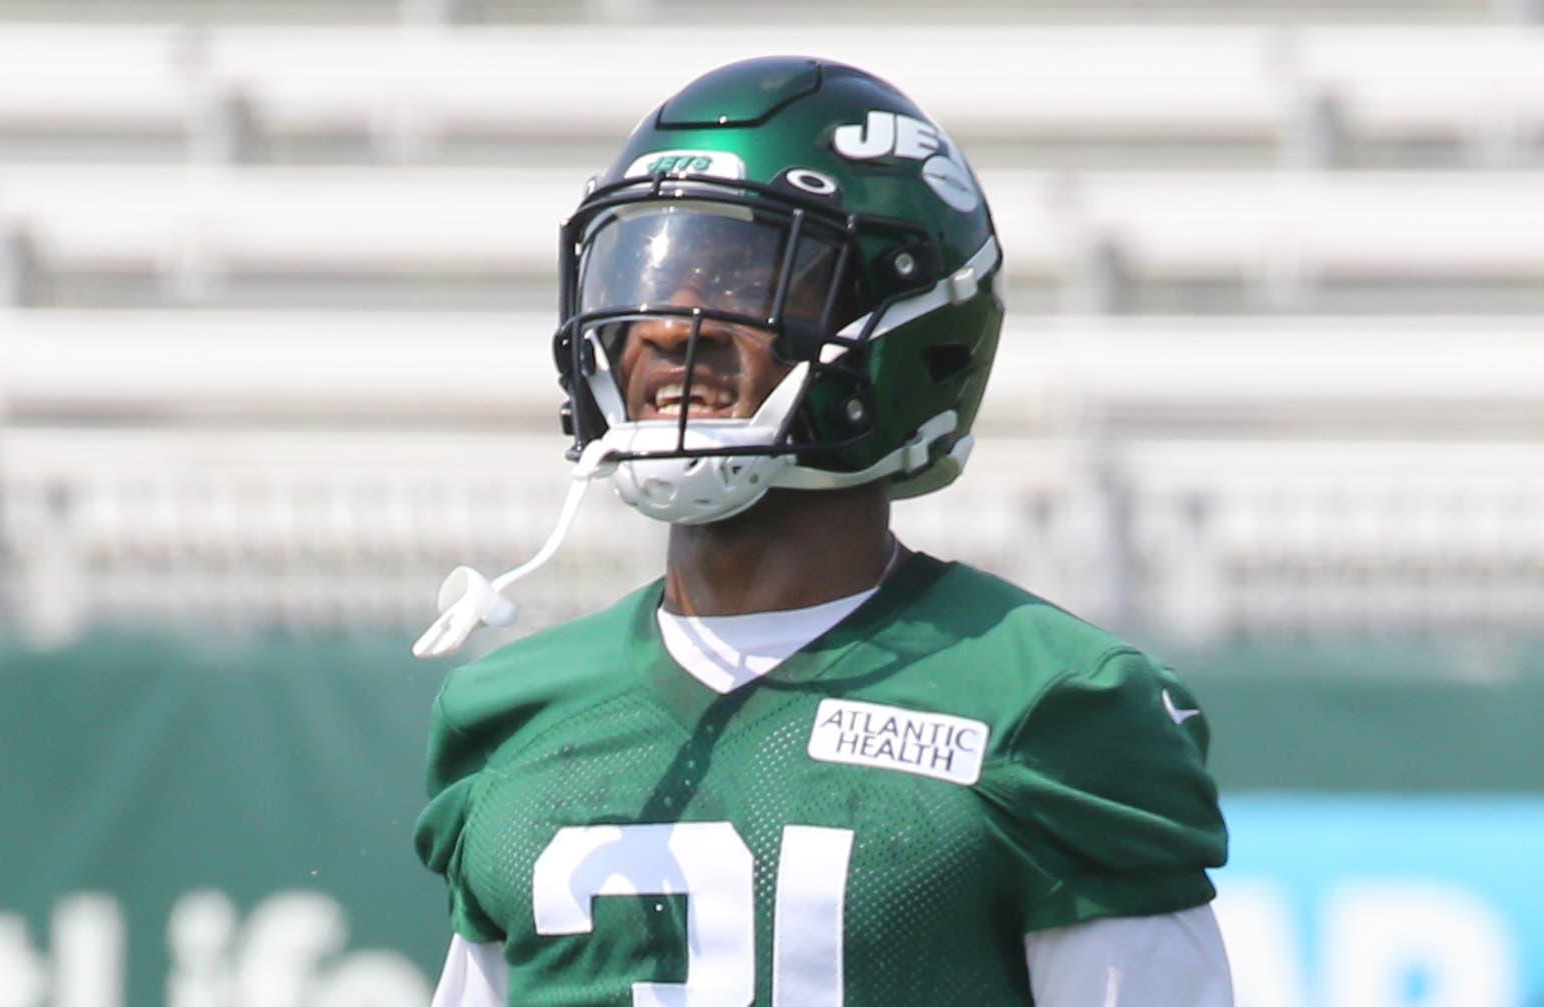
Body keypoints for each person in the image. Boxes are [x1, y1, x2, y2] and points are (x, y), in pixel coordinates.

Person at [413, 56, 1231, 1006]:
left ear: (895, 321)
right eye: (649, 271)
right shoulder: (518, 715)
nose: (670, 327)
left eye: (739, 274)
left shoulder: (1045, 706)